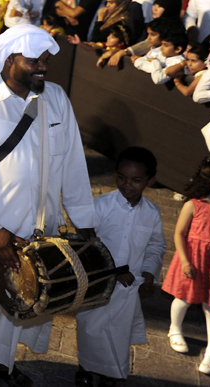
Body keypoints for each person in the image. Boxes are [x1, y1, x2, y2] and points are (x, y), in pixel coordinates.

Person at [0, 25, 95, 387]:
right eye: (34, 61)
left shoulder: (57, 98)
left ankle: (1, 361)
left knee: (24, 301)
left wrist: (85, 224)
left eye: (46, 61)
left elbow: (74, 164)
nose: (43, 67)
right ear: (9, 58)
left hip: (40, 229)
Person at [74, 147, 165, 387]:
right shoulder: (102, 205)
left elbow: (156, 247)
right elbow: (87, 243)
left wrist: (148, 272)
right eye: (122, 177)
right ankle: (84, 366)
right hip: (97, 282)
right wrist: (113, 269)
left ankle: (108, 373)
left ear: (150, 181)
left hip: (127, 288)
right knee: (90, 328)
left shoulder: (152, 214)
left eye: (136, 180)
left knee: (117, 333)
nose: (127, 185)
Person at [161, 158, 210, 376]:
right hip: (194, 262)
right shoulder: (193, 206)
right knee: (183, 298)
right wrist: (185, 261)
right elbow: (179, 233)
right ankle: (174, 329)